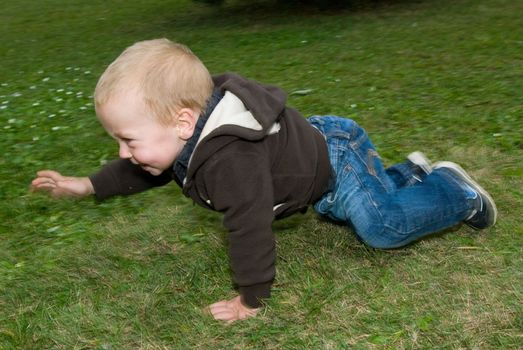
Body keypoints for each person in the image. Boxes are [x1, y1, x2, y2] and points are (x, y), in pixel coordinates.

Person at [31, 38, 497, 323]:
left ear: (182, 122)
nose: (123, 152)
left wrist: (251, 298)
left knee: (379, 228)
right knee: (345, 213)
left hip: (333, 158)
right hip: (312, 167)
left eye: (129, 140)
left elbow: (250, 225)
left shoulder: (230, 161)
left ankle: (454, 191)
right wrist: (87, 185)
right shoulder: (182, 138)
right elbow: (141, 170)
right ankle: (409, 174)